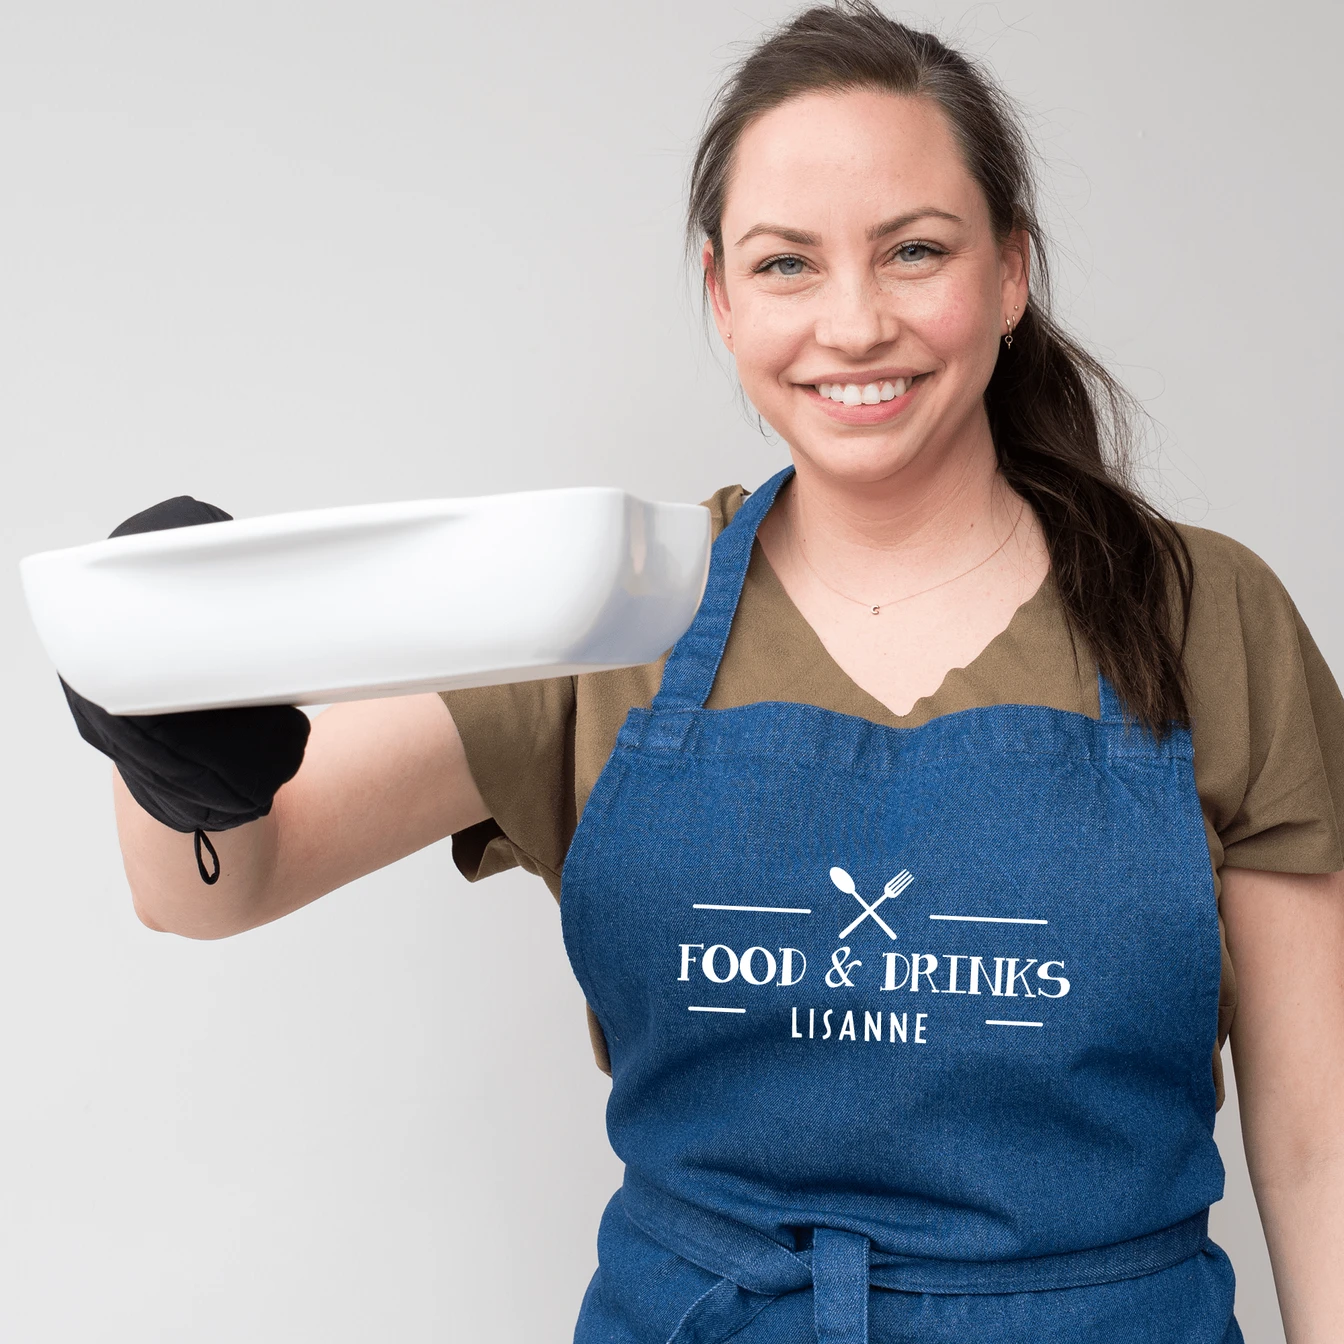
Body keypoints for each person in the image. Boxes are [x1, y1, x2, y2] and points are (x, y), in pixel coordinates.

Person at [64, 4, 1344, 1340]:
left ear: (1013, 270)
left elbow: (1320, 1146)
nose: (853, 322)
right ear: (724, 299)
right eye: (787, 264)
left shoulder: (1205, 613)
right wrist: (164, 723)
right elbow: (220, 885)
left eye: (914, 251)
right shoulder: (609, 607)